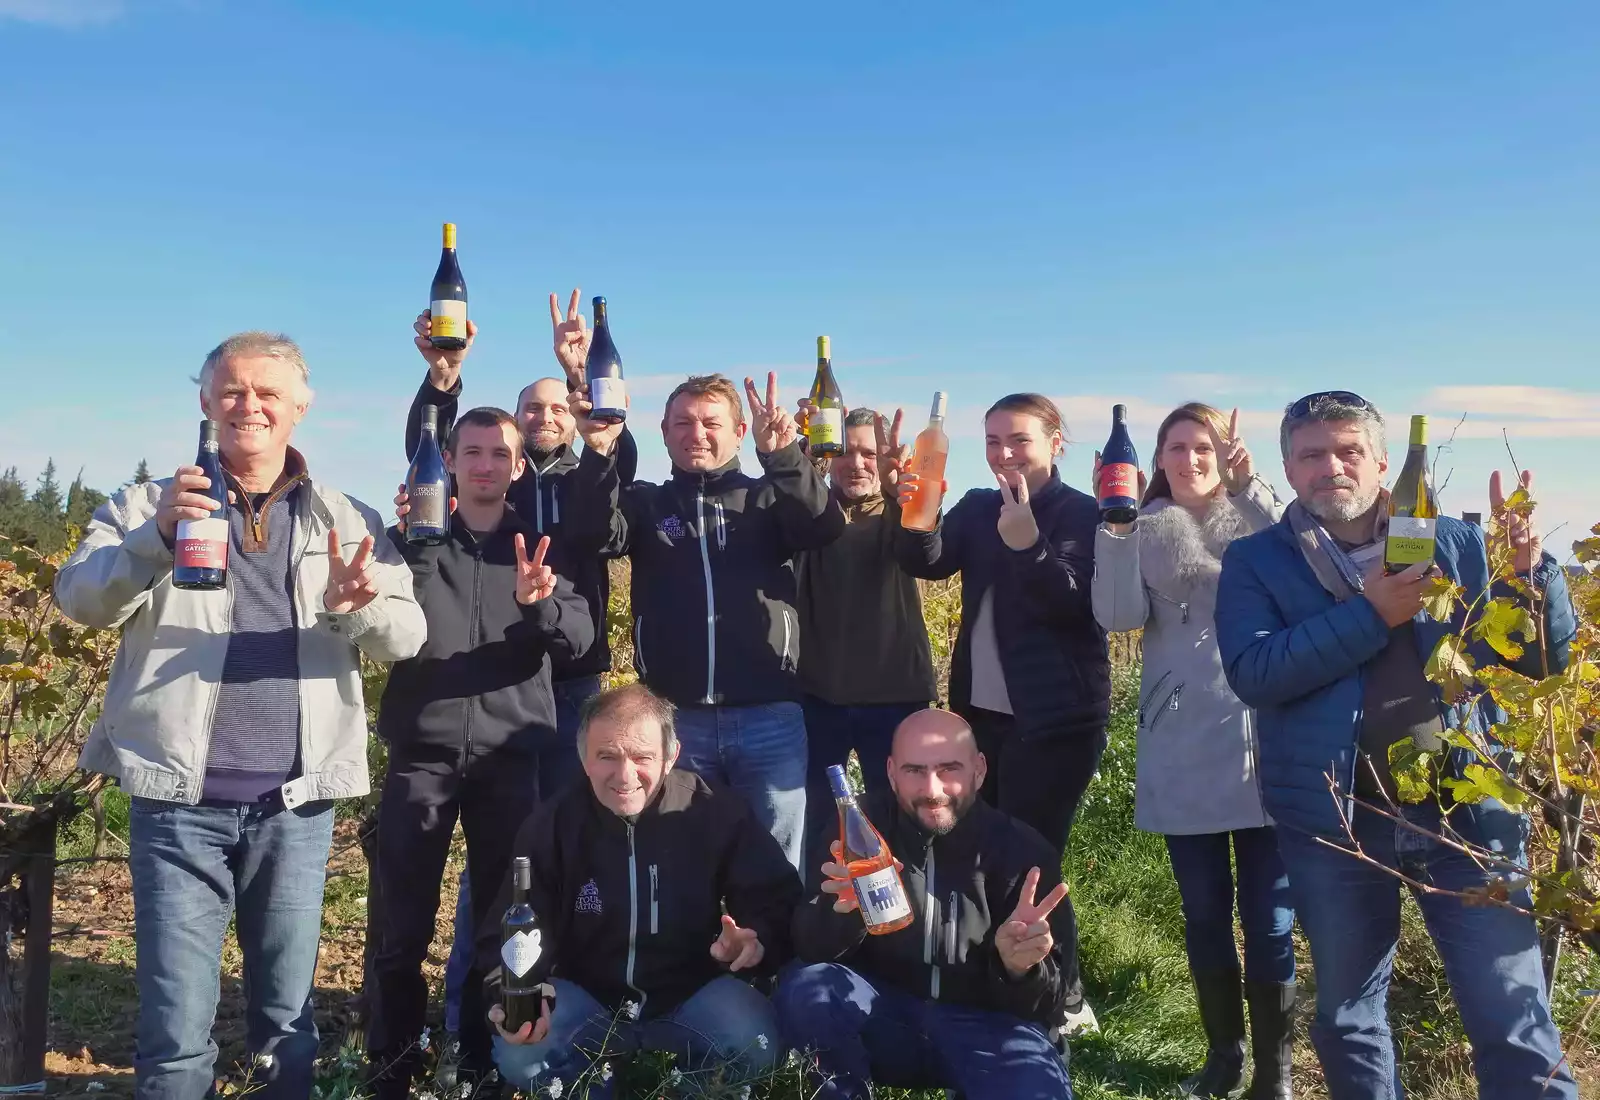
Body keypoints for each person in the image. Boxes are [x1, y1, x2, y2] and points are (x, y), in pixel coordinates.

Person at [54, 332, 425, 1100]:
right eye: (231, 391)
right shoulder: (146, 505)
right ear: (205, 402)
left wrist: (356, 613)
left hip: (296, 805)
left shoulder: (344, 518)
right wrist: (154, 541)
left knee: (287, 1023)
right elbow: (80, 601)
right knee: (175, 1026)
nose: (248, 405)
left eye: (267, 393)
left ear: (300, 407)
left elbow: (408, 634)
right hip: (178, 804)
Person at [1215, 391, 1579, 1100]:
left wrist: (1531, 572)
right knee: (1349, 1018)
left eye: (1348, 450)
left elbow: (1542, 660)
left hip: (1467, 813)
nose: (1331, 467)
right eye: (1312, 454)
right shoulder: (1258, 561)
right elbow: (1255, 673)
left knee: (1513, 1019)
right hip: (1337, 819)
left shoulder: (1459, 543)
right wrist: (1370, 614)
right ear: (1287, 468)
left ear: (1383, 462)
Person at [401, 295, 637, 1047]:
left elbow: (611, 476)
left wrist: (581, 373)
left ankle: (529, 1013)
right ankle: (446, 1028)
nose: (542, 417)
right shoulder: (473, 490)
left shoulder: (575, 478)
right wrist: (442, 380)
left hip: (558, 690)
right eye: (527, 409)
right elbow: (433, 450)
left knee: (532, 867)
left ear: (571, 414)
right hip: (482, 698)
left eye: (554, 407)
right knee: (474, 884)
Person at [366, 407, 595, 1098]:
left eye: (500, 453)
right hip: (421, 759)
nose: (486, 464)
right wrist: (415, 544)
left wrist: (540, 606)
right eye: (472, 452)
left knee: (505, 933)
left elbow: (580, 640)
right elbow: (375, 616)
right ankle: (390, 1070)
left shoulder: (542, 547)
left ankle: (480, 1066)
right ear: (452, 462)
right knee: (398, 933)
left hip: (511, 760)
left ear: (519, 465)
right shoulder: (414, 539)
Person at [1091, 403, 1294, 1099]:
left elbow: (1305, 564)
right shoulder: (1139, 530)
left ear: (1222, 451)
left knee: (1269, 919)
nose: (1190, 458)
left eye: (1202, 445)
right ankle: (1224, 1059)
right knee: (1205, 913)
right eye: (1175, 447)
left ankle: (1277, 1073)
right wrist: (1114, 532)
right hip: (1179, 745)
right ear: (1156, 459)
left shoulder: (1263, 522)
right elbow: (1115, 616)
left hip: (1263, 741)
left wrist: (1254, 484)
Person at [566, 371, 844, 868]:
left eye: (711, 422)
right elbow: (591, 535)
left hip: (769, 719)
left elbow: (823, 526)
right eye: (683, 423)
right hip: (678, 721)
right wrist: (597, 451)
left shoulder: (768, 497)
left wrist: (784, 457)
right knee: (682, 858)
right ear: (665, 433)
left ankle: (774, 947)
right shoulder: (649, 503)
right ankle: (696, 949)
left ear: (739, 432)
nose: (697, 434)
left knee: (778, 859)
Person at [894, 391, 1108, 1035]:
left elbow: (1077, 607)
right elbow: (924, 565)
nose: (1005, 454)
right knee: (986, 849)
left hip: (1056, 719)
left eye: (1019, 440)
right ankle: (1002, 979)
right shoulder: (982, 506)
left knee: (1035, 857)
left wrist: (1028, 546)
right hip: (981, 716)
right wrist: (919, 511)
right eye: (992, 442)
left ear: (1055, 442)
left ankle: (1064, 997)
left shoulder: (1081, 512)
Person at [480, 683, 803, 1097]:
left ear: (671, 756)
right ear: (584, 760)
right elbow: (506, 932)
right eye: (607, 757)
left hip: (689, 994)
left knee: (756, 1044)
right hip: (586, 999)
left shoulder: (713, 811)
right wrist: (509, 1002)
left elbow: (775, 897)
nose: (625, 775)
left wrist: (756, 940)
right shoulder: (553, 824)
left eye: (642, 757)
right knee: (520, 1057)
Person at [775, 709, 1077, 1100]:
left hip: (988, 1024)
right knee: (807, 990)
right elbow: (809, 950)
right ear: (889, 771)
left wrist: (1018, 968)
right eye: (914, 770)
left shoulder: (1024, 852)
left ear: (979, 769)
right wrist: (844, 917)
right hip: (886, 1015)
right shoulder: (853, 833)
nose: (932, 789)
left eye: (949, 768)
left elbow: (1054, 997)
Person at [793, 404, 937, 868]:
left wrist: (904, 496)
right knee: (820, 824)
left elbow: (923, 550)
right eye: (845, 452)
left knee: (899, 819)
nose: (856, 463)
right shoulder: (812, 512)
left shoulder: (903, 510)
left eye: (869, 453)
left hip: (895, 695)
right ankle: (828, 922)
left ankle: (906, 922)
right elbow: (787, 504)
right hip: (818, 696)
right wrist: (800, 454)